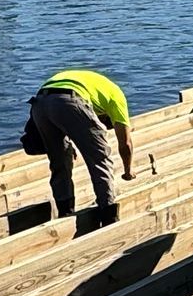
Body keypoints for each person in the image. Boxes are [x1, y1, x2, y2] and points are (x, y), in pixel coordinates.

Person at [22, 67, 134, 228]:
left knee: (59, 160)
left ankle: (65, 212)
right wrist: (128, 171)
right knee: (100, 158)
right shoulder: (117, 97)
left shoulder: (98, 88)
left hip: (41, 102)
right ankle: (108, 215)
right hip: (71, 99)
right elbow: (126, 144)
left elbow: (68, 119)